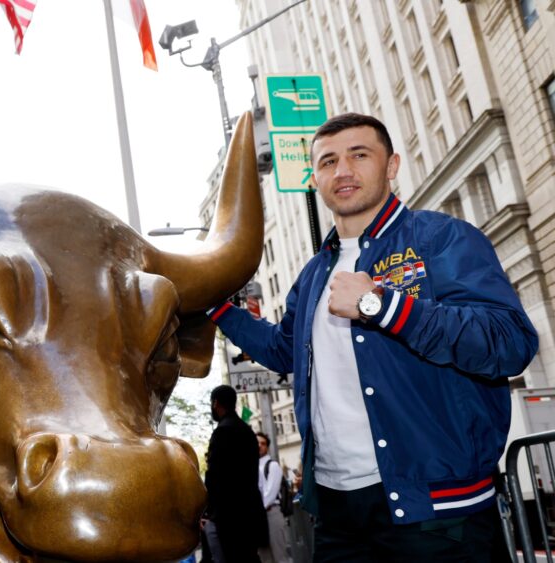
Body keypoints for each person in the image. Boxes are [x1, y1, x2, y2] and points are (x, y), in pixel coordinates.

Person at [208, 112, 538, 561]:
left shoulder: (440, 238)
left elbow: (509, 343)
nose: (342, 171)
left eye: (358, 155)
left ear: (391, 165)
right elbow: (283, 351)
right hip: (338, 515)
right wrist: (216, 308)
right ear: (316, 179)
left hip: (438, 510)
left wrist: (383, 307)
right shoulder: (313, 275)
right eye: (327, 162)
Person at [202, 385, 268, 563]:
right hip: (249, 514)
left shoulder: (222, 432)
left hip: (228, 518)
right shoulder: (247, 432)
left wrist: (207, 511)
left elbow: (214, 477)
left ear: (215, 403)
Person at [256, 432, 290, 563]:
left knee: (280, 557)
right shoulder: (251, 466)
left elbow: (270, 495)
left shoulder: (273, 466)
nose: (259, 446)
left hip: (272, 513)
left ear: (267, 447)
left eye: (263, 443)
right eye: (256, 443)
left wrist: (255, 510)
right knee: (265, 558)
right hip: (259, 517)